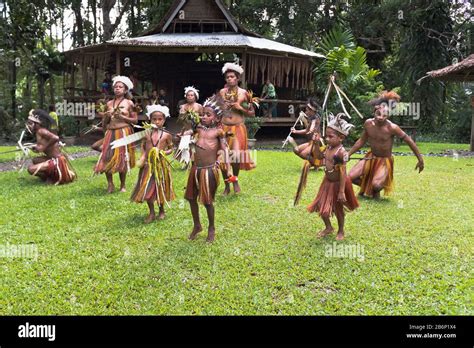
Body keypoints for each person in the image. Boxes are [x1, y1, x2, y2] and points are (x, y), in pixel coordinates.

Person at [348, 90, 424, 199]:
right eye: (378, 114)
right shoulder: (368, 124)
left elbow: (409, 141)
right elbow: (361, 141)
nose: (380, 117)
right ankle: (369, 188)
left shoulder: (392, 128)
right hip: (371, 157)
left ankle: (374, 188)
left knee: (377, 185)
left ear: (388, 115)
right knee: (350, 177)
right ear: (374, 111)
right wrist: (348, 154)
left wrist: (420, 159)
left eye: (384, 115)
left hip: (384, 160)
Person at [182, 95, 232, 243]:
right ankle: (197, 225)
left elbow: (225, 150)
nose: (203, 117)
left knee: (207, 201)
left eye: (208, 115)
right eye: (202, 114)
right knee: (191, 198)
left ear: (216, 118)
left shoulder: (219, 132)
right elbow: (187, 135)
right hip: (195, 169)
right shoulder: (197, 128)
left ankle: (211, 227)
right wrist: (183, 136)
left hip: (209, 170)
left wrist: (228, 168)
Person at [307, 113, 359, 240]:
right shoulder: (328, 148)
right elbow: (318, 156)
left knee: (338, 209)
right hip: (327, 182)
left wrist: (341, 191)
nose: (327, 139)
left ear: (341, 137)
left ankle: (341, 230)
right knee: (322, 207)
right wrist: (315, 144)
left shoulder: (341, 152)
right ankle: (328, 227)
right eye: (326, 136)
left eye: (331, 136)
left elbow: (343, 173)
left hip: (338, 184)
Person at [131, 105, 175, 223]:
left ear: (164, 120)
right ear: (150, 120)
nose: (157, 121)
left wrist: (163, 152)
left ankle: (161, 210)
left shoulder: (166, 135)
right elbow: (144, 148)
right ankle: (151, 212)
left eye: (160, 119)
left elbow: (171, 149)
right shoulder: (146, 134)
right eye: (154, 119)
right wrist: (142, 158)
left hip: (161, 165)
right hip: (148, 165)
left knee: (159, 188)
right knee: (147, 188)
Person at [94, 75, 137, 193]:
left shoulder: (129, 103)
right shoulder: (108, 103)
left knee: (122, 158)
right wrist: (107, 116)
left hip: (123, 132)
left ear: (125, 90)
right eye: (116, 87)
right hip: (110, 132)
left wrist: (122, 116)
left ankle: (123, 185)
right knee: (107, 157)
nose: (117, 88)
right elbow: (105, 122)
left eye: (120, 87)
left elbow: (135, 120)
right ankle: (110, 184)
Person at [219, 62, 256, 195]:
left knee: (235, 156)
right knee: (223, 157)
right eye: (227, 77)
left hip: (238, 128)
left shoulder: (244, 93)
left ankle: (235, 180)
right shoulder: (222, 92)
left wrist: (240, 108)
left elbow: (252, 112)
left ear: (238, 78)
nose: (230, 79)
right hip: (223, 127)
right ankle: (227, 185)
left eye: (232, 76)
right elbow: (216, 110)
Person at [26, 109, 77, 185]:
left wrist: (43, 147)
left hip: (57, 161)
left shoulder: (41, 131)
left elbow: (55, 138)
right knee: (35, 160)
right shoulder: (39, 132)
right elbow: (43, 145)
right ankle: (49, 177)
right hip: (53, 159)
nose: (29, 125)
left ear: (36, 123)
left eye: (30, 123)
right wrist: (36, 148)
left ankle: (53, 178)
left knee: (30, 169)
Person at [289, 98, 324, 169]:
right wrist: (295, 131)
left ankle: (317, 163)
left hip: (317, 142)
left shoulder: (316, 118)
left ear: (312, 111)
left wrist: (311, 129)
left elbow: (313, 125)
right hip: (311, 142)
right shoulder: (311, 118)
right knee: (296, 150)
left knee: (303, 154)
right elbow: (306, 130)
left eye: (307, 110)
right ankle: (314, 163)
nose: (306, 112)